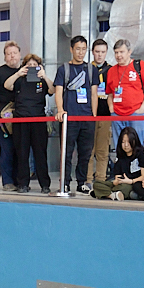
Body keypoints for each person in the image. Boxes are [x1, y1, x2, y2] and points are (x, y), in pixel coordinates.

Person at [5, 52, 53, 194]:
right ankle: (23, 184)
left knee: (40, 153)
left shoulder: (42, 80)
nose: (32, 67)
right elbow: (7, 85)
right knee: (22, 154)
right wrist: (18, 73)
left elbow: (53, 90)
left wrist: (44, 76)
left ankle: (45, 184)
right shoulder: (20, 80)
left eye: (34, 65)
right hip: (21, 120)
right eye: (29, 65)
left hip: (38, 120)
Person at [55, 35, 96, 194]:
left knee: (85, 153)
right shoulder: (63, 69)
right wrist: (60, 110)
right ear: (71, 49)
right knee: (66, 152)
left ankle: (81, 182)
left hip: (87, 118)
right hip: (69, 119)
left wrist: (94, 115)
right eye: (78, 49)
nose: (81, 52)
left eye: (84, 49)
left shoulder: (91, 69)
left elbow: (93, 94)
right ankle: (64, 182)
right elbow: (58, 91)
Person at [105, 39, 144, 147]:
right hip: (117, 114)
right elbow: (109, 93)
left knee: (136, 146)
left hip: (136, 113)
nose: (119, 55)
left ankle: (136, 164)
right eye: (116, 52)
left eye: (121, 52)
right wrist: (111, 108)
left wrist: (142, 108)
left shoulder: (140, 65)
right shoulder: (111, 71)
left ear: (129, 52)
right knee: (119, 146)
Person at [0, 41, 22, 189]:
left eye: (14, 53)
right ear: (4, 57)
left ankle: (21, 181)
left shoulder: (28, 70)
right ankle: (8, 181)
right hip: (6, 118)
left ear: (19, 54)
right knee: (7, 150)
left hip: (24, 116)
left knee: (22, 150)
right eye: (8, 54)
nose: (12, 56)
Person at [87, 39, 114, 184]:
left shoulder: (111, 70)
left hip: (105, 114)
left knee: (102, 150)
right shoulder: (86, 69)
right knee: (89, 150)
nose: (99, 55)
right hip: (89, 115)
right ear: (92, 52)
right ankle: (88, 179)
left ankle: (101, 179)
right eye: (97, 52)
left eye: (103, 52)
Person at [106, 127, 144, 202]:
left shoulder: (141, 154)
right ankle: (112, 195)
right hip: (121, 182)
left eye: (128, 142)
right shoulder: (121, 155)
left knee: (126, 188)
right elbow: (117, 174)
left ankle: (107, 194)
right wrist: (117, 181)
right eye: (123, 142)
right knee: (98, 184)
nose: (126, 145)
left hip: (134, 183)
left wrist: (131, 181)